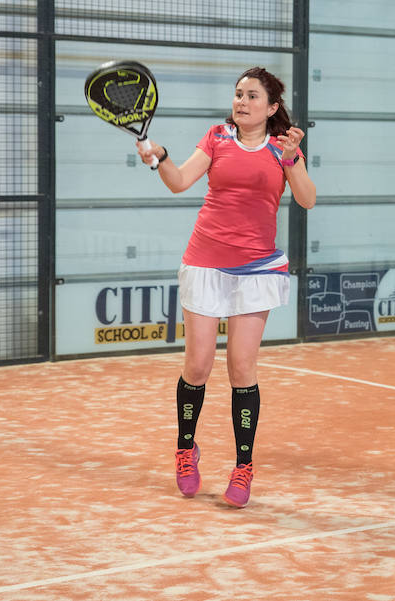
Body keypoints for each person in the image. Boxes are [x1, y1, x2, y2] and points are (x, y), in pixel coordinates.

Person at [137, 66, 316, 508]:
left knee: (241, 368)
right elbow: (180, 182)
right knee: (197, 366)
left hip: (257, 270)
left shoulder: (283, 147)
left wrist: (293, 158)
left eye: (253, 96)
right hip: (205, 263)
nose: (242, 101)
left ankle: (243, 466)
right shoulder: (216, 137)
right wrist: (160, 158)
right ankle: (185, 450)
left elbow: (308, 199)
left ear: (272, 107)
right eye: (238, 94)